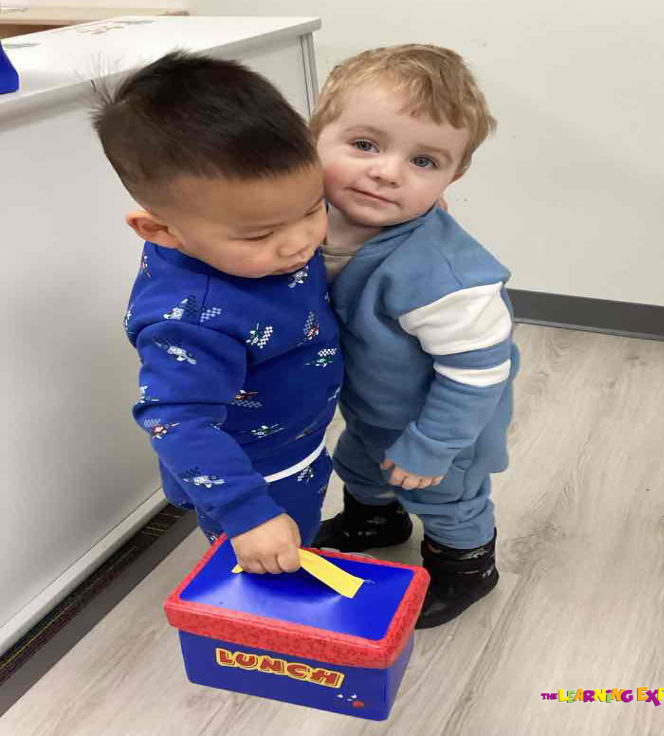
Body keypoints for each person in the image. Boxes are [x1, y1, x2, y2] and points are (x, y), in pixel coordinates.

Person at [91, 51, 342, 576]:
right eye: (260, 235)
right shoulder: (191, 322)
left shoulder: (247, 227)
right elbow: (175, 419)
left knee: (301, 539)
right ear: (161, 231)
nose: (300, 243)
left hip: (298, 439)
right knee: (275, 570)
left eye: (312, 208)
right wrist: (249, 516)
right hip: (255, 474)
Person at [310, 44, 520, 628]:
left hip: (445, 424)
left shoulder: (445, 277)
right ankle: (375, 521)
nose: (387, 172)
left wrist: (432, 446)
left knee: (447, 497)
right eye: (365, 145)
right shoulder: (310, 216)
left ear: (453, 176)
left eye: (424, 161)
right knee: (359, 462)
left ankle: (466, 569)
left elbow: (478, 374)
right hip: (373, 407)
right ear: (313, 138)